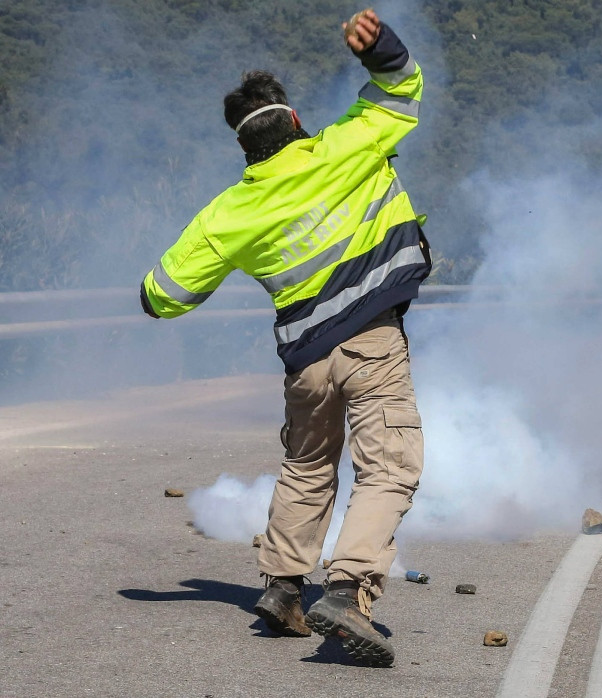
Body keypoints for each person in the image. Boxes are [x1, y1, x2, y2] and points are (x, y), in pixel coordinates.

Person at [139, 10, 429, 667]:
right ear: (295, 122)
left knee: (306, 465)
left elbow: (163, 294)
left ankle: (285, 588)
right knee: (391, 466)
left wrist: (162, 292)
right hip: (374, 342)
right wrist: (381, 47)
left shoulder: (230, 211)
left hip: (307, 362)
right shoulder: (349, 144)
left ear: (245, 148)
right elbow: (402, 87)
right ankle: (349, 592)